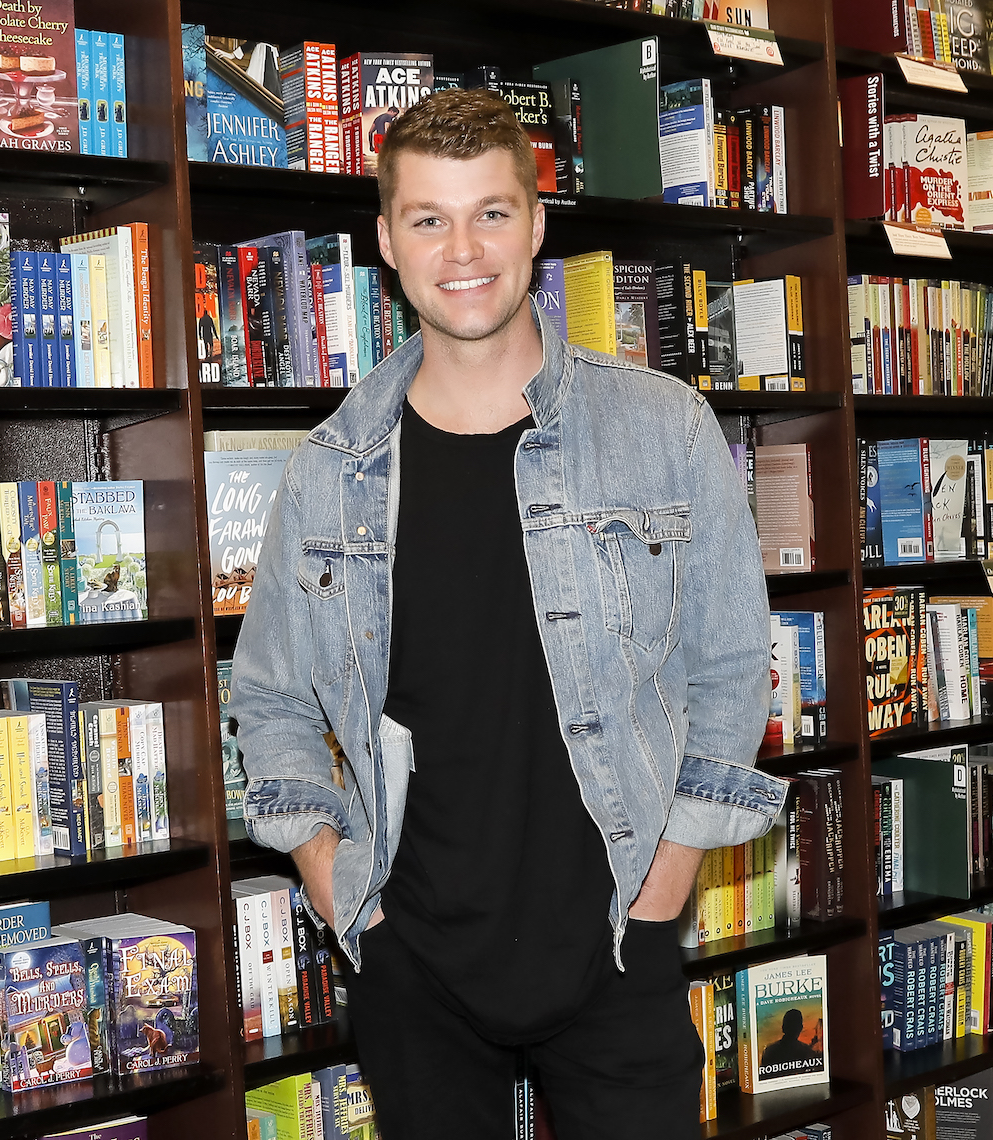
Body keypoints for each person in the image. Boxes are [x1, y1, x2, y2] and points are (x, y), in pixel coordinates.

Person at [232, 87, 783, 1140]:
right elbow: (268, 700)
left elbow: (730, 667)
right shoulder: (330, 468)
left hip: (621, 942)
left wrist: (666, 884)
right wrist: (338, 884)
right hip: (416, 963)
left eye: (491, 211)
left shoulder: (663, 426)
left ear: (536, 223)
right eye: (429, 218)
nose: (463, 248)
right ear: (387, 241)